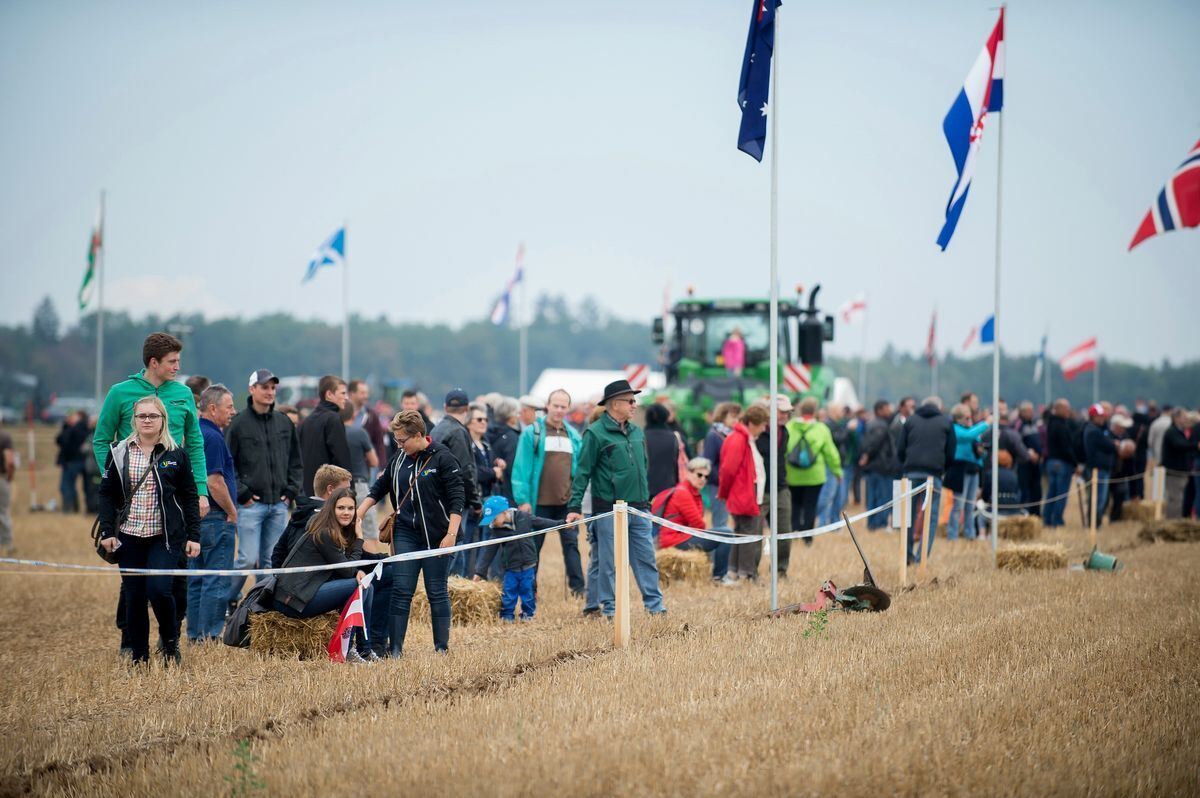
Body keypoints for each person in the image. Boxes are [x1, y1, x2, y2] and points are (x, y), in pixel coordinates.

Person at [96, 396, 201, 665]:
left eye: (152, 416)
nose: (146, 420)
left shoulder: (176, 454)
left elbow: (189, 497)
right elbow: (106, 494)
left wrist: (193, 536)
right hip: (129, 536)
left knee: (159, 590)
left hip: (163, 538)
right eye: (141, 416)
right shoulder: (119, 451)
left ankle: (169, 644)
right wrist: (108, 532)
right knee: (134, 596)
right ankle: (139, 656)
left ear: (162, 419)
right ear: (134, 419)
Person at [358, 410, 465, 656]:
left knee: (436, 590)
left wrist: (451, 534)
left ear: (418, 435)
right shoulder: (398, 458)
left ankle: (441, 648)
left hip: (438, 535)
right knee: (401, 589)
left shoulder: (443, 458)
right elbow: (379, 488)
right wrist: (359, 513)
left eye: (402, 440)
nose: (398, 445)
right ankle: (395, 649)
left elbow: (457, 499)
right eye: (396, 440)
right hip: (406, 532)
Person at [565, 379, 666, 617]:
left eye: (635, 400)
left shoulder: (637, 432)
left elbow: (643, 466)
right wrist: (574, 505)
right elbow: (583, 472)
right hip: (609, 509)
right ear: (614, 404)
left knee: (646, 559)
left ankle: (655, 606)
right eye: (630, 401)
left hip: (640, 507)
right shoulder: (595, 434)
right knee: (608, 563)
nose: (634, 405)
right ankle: (609, 609)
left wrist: (646, 499)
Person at [92, 332, 209, 515]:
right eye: (172, 362)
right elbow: (101, 440)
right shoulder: (119, 392)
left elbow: (195, 443)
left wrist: (201, 490)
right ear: (154, 362)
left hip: (174, 489)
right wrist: (113, 478)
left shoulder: (184, 393)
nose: (177, 367)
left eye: (178, 361)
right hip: (132, 493)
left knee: (173, 543)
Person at [225, 369, 302, 608]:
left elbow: (295, 461)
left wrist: (290, 492)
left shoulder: (284, 422)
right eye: (264, 387)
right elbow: (229, 464)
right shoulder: (238, 424)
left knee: (270, 561)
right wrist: (242, 493)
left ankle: (261, 608)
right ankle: (228, 601)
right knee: (247, 560)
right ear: (252, 390)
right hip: (250, 505)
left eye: (272, 388)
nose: (269, 392)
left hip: (278, 505)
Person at [272, 487, 374, 662]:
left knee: (367, 586)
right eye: (341, 508)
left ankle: (364, 649)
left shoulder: (331, 528)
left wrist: (358, 570)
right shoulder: (325, 532)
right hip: (292, 600)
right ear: (331, 508)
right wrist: (359, 539)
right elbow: (347, 570)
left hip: (306, 592)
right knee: (362, 586)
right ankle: (346, 651)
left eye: (350, 508)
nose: (346, 512)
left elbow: (346, 566)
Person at [511, 388, 586, 597]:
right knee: (533, 549)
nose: (559, 410)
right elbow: (521, 467)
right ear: (548, 406)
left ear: (568, 408)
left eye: (563, 406)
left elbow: (579, 470)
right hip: (538, 503)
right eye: (556, 405)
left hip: (566, 503)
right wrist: (523, 499)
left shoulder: (574, 436)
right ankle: (530, 590)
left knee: (572, 546)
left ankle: (579, 589)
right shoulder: (531, 433)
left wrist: (576, 502)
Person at [188, 385, 238, 643]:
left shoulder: (196, 433)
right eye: (229, 407)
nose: (233, 411)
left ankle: (195, 634)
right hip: (217, 517)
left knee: (196, 578)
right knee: (216, 578)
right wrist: (232, 511)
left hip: (198, 520)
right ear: (212, 408)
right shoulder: (215, 438)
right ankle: (209, 635)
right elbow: (214, 481)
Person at [472, 495, 559, 621]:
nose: (492, 522)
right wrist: (479, 572)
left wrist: (560, 524)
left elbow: (542, 522)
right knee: (509, 592)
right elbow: (488, 552)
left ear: (504, 512)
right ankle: (507, 616)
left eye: (494, 518)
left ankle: (528, 614)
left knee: (527, 592)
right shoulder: (497, 531)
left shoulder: (523, 517)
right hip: (511, 568)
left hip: (528, 565)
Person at [654, 456, 733, 582]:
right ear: (688, 473)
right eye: (699, 475)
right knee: (726, 534)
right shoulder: (683, 493)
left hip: (681, 537)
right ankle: (720, 576)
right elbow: (698, 525)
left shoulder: (693, 491)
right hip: (675, 539)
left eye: (706, 477)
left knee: (724, 531)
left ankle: (720, 575)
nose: (703, 479)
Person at [896, 396, 955, 564]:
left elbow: (900, 448)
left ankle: (906, 555)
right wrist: (942, 469)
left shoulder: (910, 421)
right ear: (940, 407)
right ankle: (921, 558)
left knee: (906, 515)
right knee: (931, 516)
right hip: (933, 474)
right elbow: (951, 453)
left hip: (911, 471)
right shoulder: (946, 423)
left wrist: (906, 466)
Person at [719, 404, 769, 581]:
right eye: (762, 424)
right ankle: (745, 574)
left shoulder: (744, 438)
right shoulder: (739, 439)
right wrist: (724, 493)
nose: (764, 429)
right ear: (753, 423)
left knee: (742, 532)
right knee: (747, 534)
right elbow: (728, 470)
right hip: (743, 493)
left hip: (745, 493)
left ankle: (735, 572)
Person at [784, 397, 842, 549]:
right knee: (810, 506)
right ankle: (807, 538)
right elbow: (830, 453)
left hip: (792, 475)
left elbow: (782, 450)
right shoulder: (821, 429)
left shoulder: (790, 427)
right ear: (815, 412)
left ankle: (794, 533)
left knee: (794, 505)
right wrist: (837, 471)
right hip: (814, 476)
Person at [756, 396, 793, 576]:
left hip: (780, 487)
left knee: (784, 534)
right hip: (759, 490)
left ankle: (779, 571)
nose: (785, 415)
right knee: (755, 533)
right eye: (782, 411)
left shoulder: (785, 432)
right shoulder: (758, 432)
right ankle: (750, 572)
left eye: (787, 411)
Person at [430, 388, 482, 517]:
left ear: (445, 407)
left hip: (435, 495)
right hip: (453, 500)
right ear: (467, 408)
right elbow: (464, 470)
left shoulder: (436, 429)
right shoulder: (458, 432)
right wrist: (476, 502)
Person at [299, 375, 351, 496]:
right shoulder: (333, 419)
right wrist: (348, 492)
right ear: (329, 394)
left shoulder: (306, 421)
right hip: (329, 492)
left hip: (308, 491)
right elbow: (341, 457)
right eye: (343, 393)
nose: (346, 397)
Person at [945, 404, 989, 541]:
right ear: (959, 418)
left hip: (973, 469)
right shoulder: (956, 430)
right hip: (960, 469)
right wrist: (986, 423)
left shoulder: (971, 430)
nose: (970, 419)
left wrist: (982, 454)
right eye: (967, 417)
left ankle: (970, 534)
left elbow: (978, 448)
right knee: (958, 505)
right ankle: (952, 535)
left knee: (970, 504)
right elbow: (968, 437)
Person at [701, 402, 741, 530]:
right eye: (732, 416)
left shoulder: (733, 435)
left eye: (737, 417)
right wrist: (722, 480)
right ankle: (718, 550)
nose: (736, 420)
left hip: (732, 485)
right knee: (720, 522)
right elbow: (709, 463)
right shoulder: (714, 436)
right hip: (718, 486)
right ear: (722, 416)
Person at [342, 403, 379, 535]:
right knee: (368, 530)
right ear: (354, 414)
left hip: (337, 487)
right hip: (358, 485)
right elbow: (374, 461)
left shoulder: (331, 432)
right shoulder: (359, 432)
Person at [859, 400, 897, 530]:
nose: (889, 410)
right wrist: (867, 455)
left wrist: (866, 456)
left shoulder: (872, 423)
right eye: (887, 408)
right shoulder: (880, 425)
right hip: (880, 466)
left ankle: (873, 523)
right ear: (880, 410)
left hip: (874, 466)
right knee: (881, 496)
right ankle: (878, 523)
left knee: (873, 496)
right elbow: (875, 443)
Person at [1043, 399, 1077, 528]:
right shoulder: (1060, 425)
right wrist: (1074, 463)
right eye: (1066, 408)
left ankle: (1047, 518)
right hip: (1062, 463)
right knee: (1060, 494)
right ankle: (1057, 520)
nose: (1068, 411)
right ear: (1058, 409)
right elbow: (1066, 447)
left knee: (1051, 493)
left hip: (1052, 462)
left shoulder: (1051, 423)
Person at [1082, 403, 1117, 527]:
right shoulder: (1093, 431)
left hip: (1102, 469)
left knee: (1101, 499)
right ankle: (1094, 523)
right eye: (1100, 416)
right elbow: (1109, 445)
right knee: (1097, 499)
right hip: (1097, 469)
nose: (1103, 419)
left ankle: (1096, 523)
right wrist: (1114, 444)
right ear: (1093, 417)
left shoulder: (1097, 429)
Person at [644, 403, 681, 502]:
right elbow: (675, 463)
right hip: (668, 488)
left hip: (646, 488)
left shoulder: (641, 437)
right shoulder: (673, 437)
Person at [486, 396, 520, 502]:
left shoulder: (487, 432)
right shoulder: (511, 437)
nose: (518, 416)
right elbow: (513, 467)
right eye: (517, 413)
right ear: (510, 416)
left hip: (490, 487)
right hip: (507, 491)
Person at [349, 380, 386, 476]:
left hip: (365, 469)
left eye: (367, 393)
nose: (366, 396)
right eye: (362, 393)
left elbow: (379, 442)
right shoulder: (341, 413)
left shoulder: (371, 415)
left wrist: (382, 467)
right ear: (352, 394)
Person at [1162, 408, 1194, 519]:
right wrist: (1195, 445)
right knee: (1175, 499)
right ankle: (1172, 522)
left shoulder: (1179, 432)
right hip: (1174, 472)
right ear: (1176, 418)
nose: (1186, 419)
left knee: (1179, 499)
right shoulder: (1172, 432)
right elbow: (1179, 445)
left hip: (1180, 471)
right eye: (1184, 417)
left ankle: (1176, 520)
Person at [55, 410, 88, 512]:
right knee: (72, 486)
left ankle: (68, 508)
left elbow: (62, 440)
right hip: (80, 461)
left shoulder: (75, 429)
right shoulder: (85, 428)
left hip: (72, 461)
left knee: (66, 485)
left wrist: (67, 426)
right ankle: (74, 507)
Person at [0, 420, 14, 555]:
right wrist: (9, 476)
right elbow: (9, 460)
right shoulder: (4, 436)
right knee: (3, 512)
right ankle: (7, 544)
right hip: (1, 479)